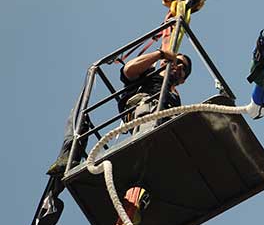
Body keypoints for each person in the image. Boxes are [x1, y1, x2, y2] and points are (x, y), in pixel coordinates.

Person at [47, 48, 191, 176]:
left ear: (183, 80)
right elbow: (129, 70)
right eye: (176, 61)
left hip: (166, 124)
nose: (178, 66)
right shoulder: (149, 73)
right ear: (164, 63)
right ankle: (69, 155)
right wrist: (160, 54)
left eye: (183, 67)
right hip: (145, 113)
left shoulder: (175, 96)